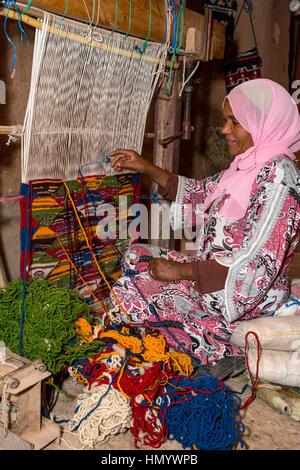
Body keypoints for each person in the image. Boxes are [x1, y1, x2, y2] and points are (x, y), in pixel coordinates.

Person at [108, 78, 300, 367]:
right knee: (136, 257)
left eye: (234, 122)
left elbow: (258, 262)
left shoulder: (279, 178)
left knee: (131, 293)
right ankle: (197, 329)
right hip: (212, 274)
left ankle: (219, 348)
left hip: (244, 297)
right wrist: (144, 166)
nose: (224, 130)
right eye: (226, 121)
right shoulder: (248, 164)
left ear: (261, 123)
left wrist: (182, 271)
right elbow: (201, 193)